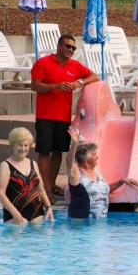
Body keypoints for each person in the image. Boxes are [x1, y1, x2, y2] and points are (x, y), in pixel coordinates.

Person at [30, 34, 99, 201]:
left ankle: (52, 184)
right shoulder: (43, 63)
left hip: (63, 117)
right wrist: (56, 86)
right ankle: (46, 188)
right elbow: (35, 85)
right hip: (45, 115)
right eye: (68, 46)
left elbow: (94, 76)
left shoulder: (74, 65)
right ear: (59, 45)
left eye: (73, 48)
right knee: (44, 152)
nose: (71, 50)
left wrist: (79, 83)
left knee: (58, 151)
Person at [66, 127, 138, 218]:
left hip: (101, 222)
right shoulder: (76, 173)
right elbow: (69, 163)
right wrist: (74, 144)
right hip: (81, 223)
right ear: (84, 159)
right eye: (93, 154)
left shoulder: (97, 172)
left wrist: (121, 181)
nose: (97, 157)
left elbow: (102, 191)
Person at [0, 127, 54, 224]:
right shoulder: (5, 166)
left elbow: (41, 189)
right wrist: (15, 213)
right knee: (21, 226)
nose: (23, 149)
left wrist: (48, 207)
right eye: (20, 145)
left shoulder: (33, 164)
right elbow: (0, 194)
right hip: (14, 215)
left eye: (26, 145)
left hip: (36, 213)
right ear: (13, 145)